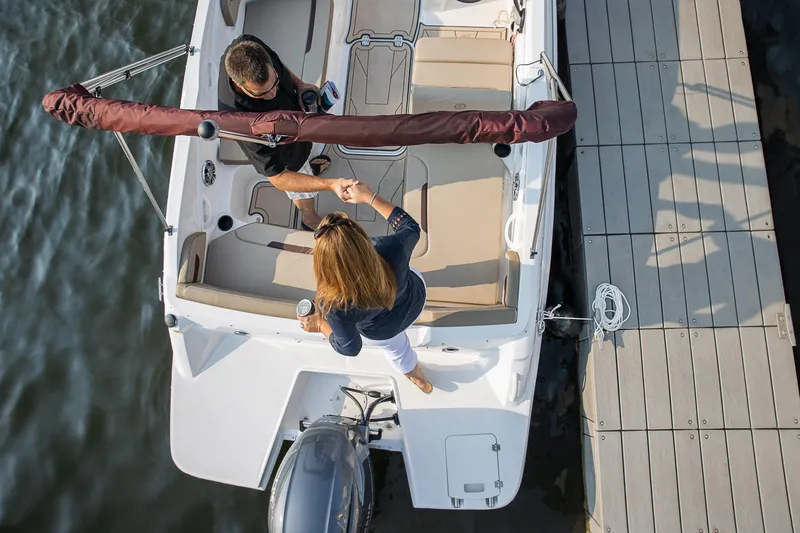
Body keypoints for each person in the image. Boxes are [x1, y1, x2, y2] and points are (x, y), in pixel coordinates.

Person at [297, 182, 433, 393]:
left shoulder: (332, 304)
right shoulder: (390, 247)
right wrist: (370, 197)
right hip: (416, 300)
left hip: (385, 331)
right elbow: (410, 226)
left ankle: (420, 380)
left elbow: (350, 348)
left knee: (399, 353)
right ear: (361, 238)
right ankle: (419, 380)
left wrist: (320, 325)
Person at [219, 34, 353, 229]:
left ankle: (309, 173)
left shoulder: (249, 46)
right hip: (287, 156)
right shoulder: (238, 120)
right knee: (302, 189)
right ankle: (309, 218)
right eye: (263, 94)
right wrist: (331, 185)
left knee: (305, 157)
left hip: (298, 127)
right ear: (241, 86)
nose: (274, 93)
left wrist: (299, 84)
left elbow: (279, 65)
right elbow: (279, 178)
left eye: (275, 83)